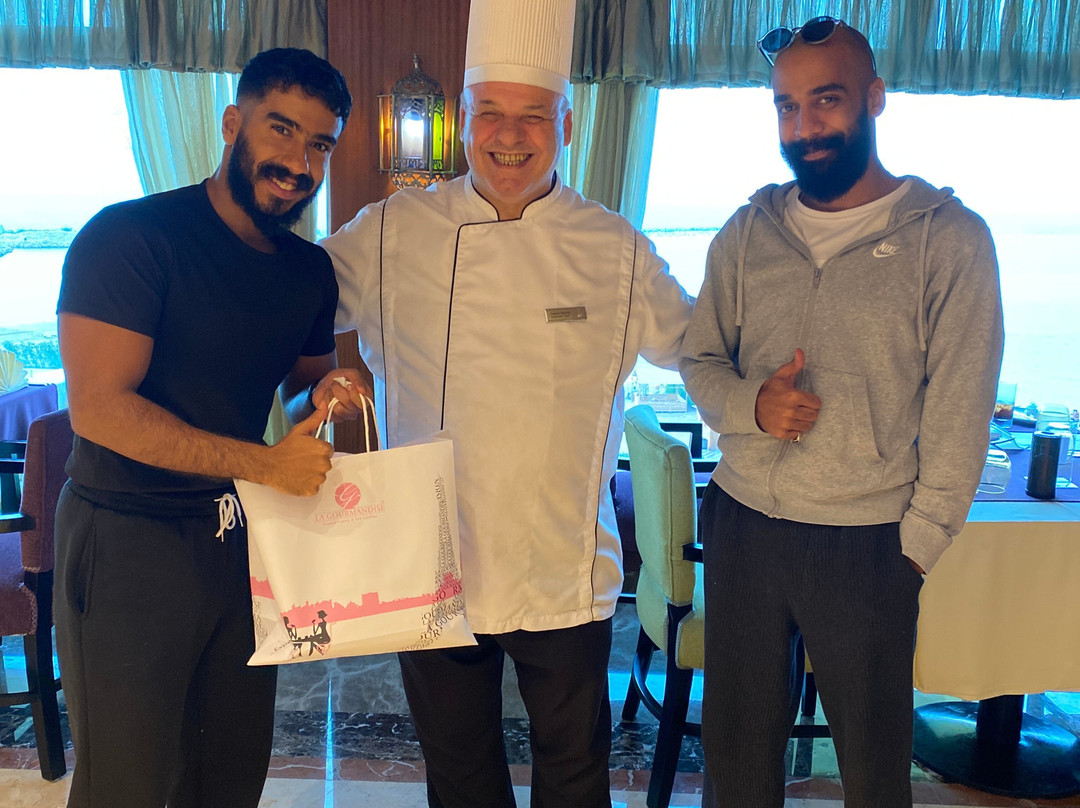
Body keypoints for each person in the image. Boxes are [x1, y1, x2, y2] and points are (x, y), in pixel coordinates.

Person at [320, 1, 693, 804]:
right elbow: (292, 299)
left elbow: (697, 347)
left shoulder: (615, 249)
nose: (509, 135)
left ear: (568, 124)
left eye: (533, 115)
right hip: (432, 557)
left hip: (560, 567)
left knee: (575, 777)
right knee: (459, 777)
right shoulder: (391, 230)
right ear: (462, 120)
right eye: (490, 112)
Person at [679, 17, 1004, 808]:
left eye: (826, 100)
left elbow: (961, 410)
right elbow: (699, 359)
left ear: (874, 98)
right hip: (745, 524)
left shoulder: (949, 241)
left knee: (873, 771)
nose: (805, 126)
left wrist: (916, 549)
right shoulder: (747, 233)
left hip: (868, 543)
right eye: (786, 106)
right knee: (736, 759)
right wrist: (752, 405)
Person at [54, 48, 372, 808]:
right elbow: (99, 408)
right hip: (126, 541)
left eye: (320, 144)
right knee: (125, 785)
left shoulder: (308, 270)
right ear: (234, 124)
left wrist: (329, 394)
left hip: (241, 546)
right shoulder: (131, 237)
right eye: (280, 129)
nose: (298, 163)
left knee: (228, 774)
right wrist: (263, 465)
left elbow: (299, 392)